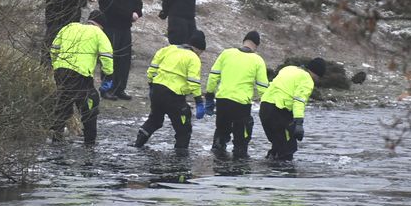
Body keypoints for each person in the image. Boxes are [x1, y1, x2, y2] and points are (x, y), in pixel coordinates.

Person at [133, 31, 207, 155]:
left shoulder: (168, 49)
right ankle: (180, 157)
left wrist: (152, 85)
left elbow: (152, 69)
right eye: (201, 53)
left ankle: (138, 144)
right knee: (183, 128)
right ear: (198, 49)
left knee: (155, 120)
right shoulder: (193, 58)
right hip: (174, 96)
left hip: (157, 90)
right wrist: (199, 101)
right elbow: (193, 82)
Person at [49, 10, 114, 145]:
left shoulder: (69, 27)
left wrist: (56, 66)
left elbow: (54, 48)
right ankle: (90, 142)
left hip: (61, 72)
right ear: (101, 25)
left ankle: (56, 137)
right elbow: (107, 56)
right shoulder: (98, 33)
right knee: (90, 104)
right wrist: (108, 74)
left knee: (63, 102)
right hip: (81, 74)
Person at [205, 31, 269, 159]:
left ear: (244, 40)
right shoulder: (258, 60)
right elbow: (262, 87)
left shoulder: (226, 53)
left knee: (221, 135)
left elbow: (213, 76)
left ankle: (217, 167)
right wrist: (267, 104)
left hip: (222, 100)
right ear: (256, 46)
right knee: (241, 143)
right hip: (241, 105)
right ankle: (238, 172)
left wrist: (209, 96)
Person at [259, 57, 326, 161]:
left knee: (278, 144)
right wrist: (299, 123)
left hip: (264, 108)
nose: (317, 80)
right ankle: (285, 175)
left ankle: (270, 170)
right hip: (278, 111)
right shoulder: (307, 80)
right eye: (319, 77)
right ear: (317, 73)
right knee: (287, 149)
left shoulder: (288, 69)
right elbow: (299, 101)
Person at [98, 0, 143, 101]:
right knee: (110, 59)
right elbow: (109, 6)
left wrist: (137, 12)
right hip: (111, 26)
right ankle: (106, 89)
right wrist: (129, 15)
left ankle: (120, 88)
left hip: (125, 28)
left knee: (124, 61)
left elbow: (138, 2)